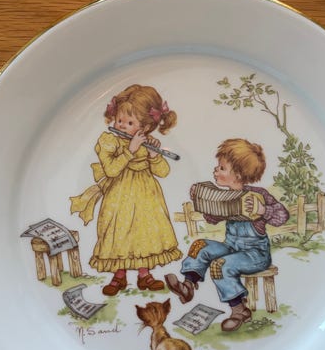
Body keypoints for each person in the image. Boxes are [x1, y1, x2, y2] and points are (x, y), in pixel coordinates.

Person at [165, 138, 289, 332]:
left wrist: (263, 210)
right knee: (200, 246)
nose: (216, 170)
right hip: (232, 248)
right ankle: (188, 286)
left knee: (220, 265)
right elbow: (213, 219)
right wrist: (200, 200)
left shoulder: (258, 195)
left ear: (237, 175)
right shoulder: (224, 196)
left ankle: (239, 311)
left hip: (255, 254)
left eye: (222, 168)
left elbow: (282, 216)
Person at [71, 84, 182, 295]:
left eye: (130, 123)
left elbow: (163, 172)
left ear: (145, 127)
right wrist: (130, 150)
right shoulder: (109, 140)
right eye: (119, 120)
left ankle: (144, 275)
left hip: (146, 195)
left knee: (144, 232)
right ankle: (118, 277)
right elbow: (111, 170)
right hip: (119, 194)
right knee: (119, 232)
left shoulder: (147, 142)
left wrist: (154, 155)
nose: (121, 126)